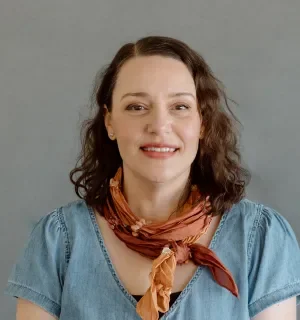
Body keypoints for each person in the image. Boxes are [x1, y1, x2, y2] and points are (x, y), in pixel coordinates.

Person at [4, 35, 300, 320]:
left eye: (180, 107)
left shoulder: (261, 237)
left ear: (202, 123)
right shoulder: (58, 240)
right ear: (110, 122)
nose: (159, 125)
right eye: (137, 107)